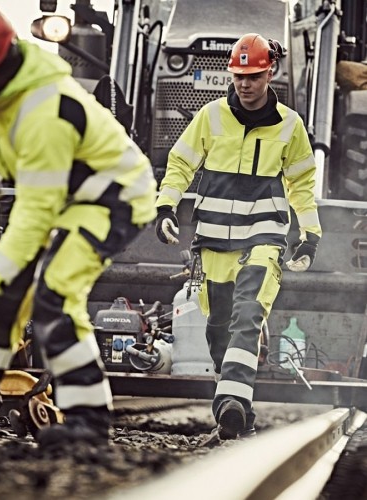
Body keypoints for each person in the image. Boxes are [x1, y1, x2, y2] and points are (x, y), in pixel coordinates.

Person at [0, 6, 157, 447]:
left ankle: (89, 421)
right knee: (0, 305)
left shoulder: (47, 112)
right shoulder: (8, 89)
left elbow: (35, 217)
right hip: (66, 195)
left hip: (111, 198)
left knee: (53, 297)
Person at [155, 33, 322, 439]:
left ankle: (229, 405)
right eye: (239, 76)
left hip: (264, 237)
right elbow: (179, 163)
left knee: (248, 316)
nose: (245, 84)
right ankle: (240, 411)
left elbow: (301, 184)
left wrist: (309, 233)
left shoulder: (291, 126)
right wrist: (165, 206)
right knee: (218, 331)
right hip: (213, 241)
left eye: (254, 76)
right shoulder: (210, 117)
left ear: (270, 74)